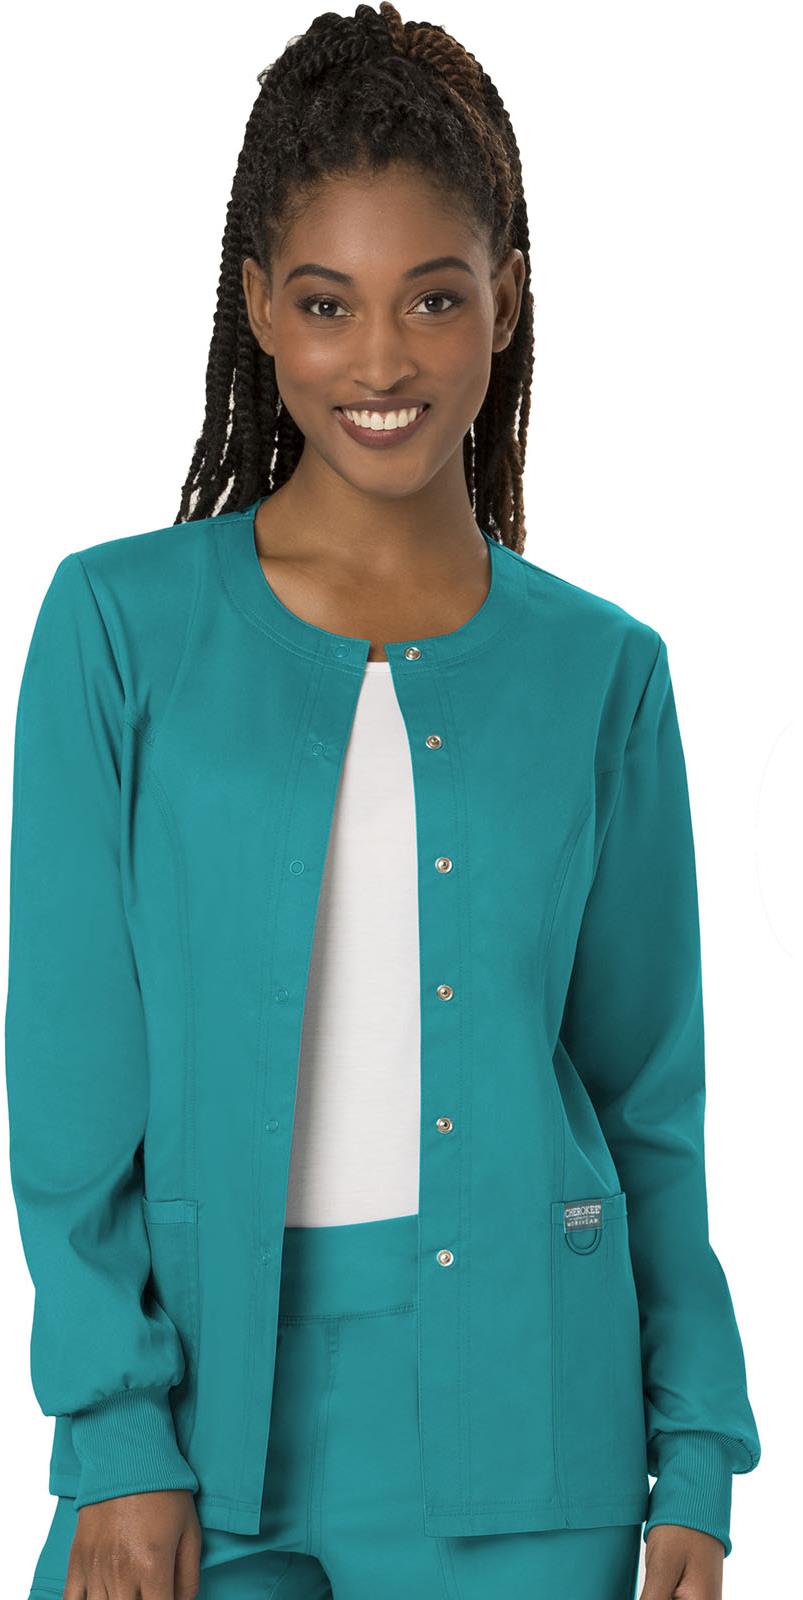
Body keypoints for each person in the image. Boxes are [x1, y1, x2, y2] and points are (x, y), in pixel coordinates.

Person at [5, 5, 761, 1598]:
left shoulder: (604, 672)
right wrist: (117, 1435)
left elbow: (649, 1103)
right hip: (196, 1419)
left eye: (434, 297)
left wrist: (696, 1450)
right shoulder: (116, 630)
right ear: (258, 308)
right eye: (326, 303)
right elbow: (67, 1085)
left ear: (506, 301)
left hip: (534, 1428)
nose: (381, 361)